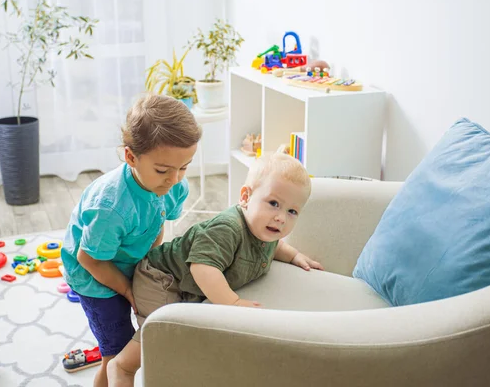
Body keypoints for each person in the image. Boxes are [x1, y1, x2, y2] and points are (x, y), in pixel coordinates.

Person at [107, 151, 324, 386]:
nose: (281, 217)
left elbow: (275, 246)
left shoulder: (265, 229)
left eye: (292, 211)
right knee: (162, 335)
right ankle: (122, 367)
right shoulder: (227, 228)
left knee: (187, 340)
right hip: (159, 277)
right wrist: (232, 303)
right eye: (273, 203)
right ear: (245, 197)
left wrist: (294, 256)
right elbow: (202, 268)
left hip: (188, 287)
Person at [60, 94, 202, 387]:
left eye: (184, 167)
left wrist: (146, 268)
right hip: (92, 276)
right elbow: (90, 259)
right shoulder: (111, 207)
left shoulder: (174, 185)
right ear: (130, 157)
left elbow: (157, 223)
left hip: (124, 258)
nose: (174, 179)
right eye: (163, 170)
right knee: (116, 353)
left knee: (141, 341)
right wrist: (127, 289)